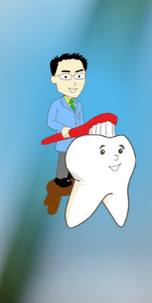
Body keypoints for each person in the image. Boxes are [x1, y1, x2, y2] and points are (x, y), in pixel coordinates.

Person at [45, 52, 90, 211]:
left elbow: (81, 122)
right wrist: (62, 128)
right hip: (64, 142)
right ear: (54, 79)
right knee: (62, 167)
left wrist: (85, 133)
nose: (73, 82)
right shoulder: (56, 105)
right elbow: (51, 121)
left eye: (79, 76)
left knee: (76, 165)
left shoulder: (78, 105)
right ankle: (58, 187)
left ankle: (74, 186)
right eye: (65, 77)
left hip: (77, 142)